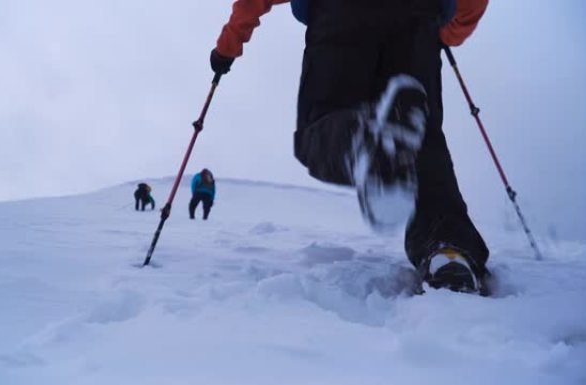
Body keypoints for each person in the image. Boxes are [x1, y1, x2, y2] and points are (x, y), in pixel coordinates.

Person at [210, 0, 491, 294]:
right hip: (419, 17)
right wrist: (449, 32)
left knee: (322, 130)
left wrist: (227, 47)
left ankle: (363, 142)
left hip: (338, 15)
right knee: (422, 142)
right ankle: (449, 252)